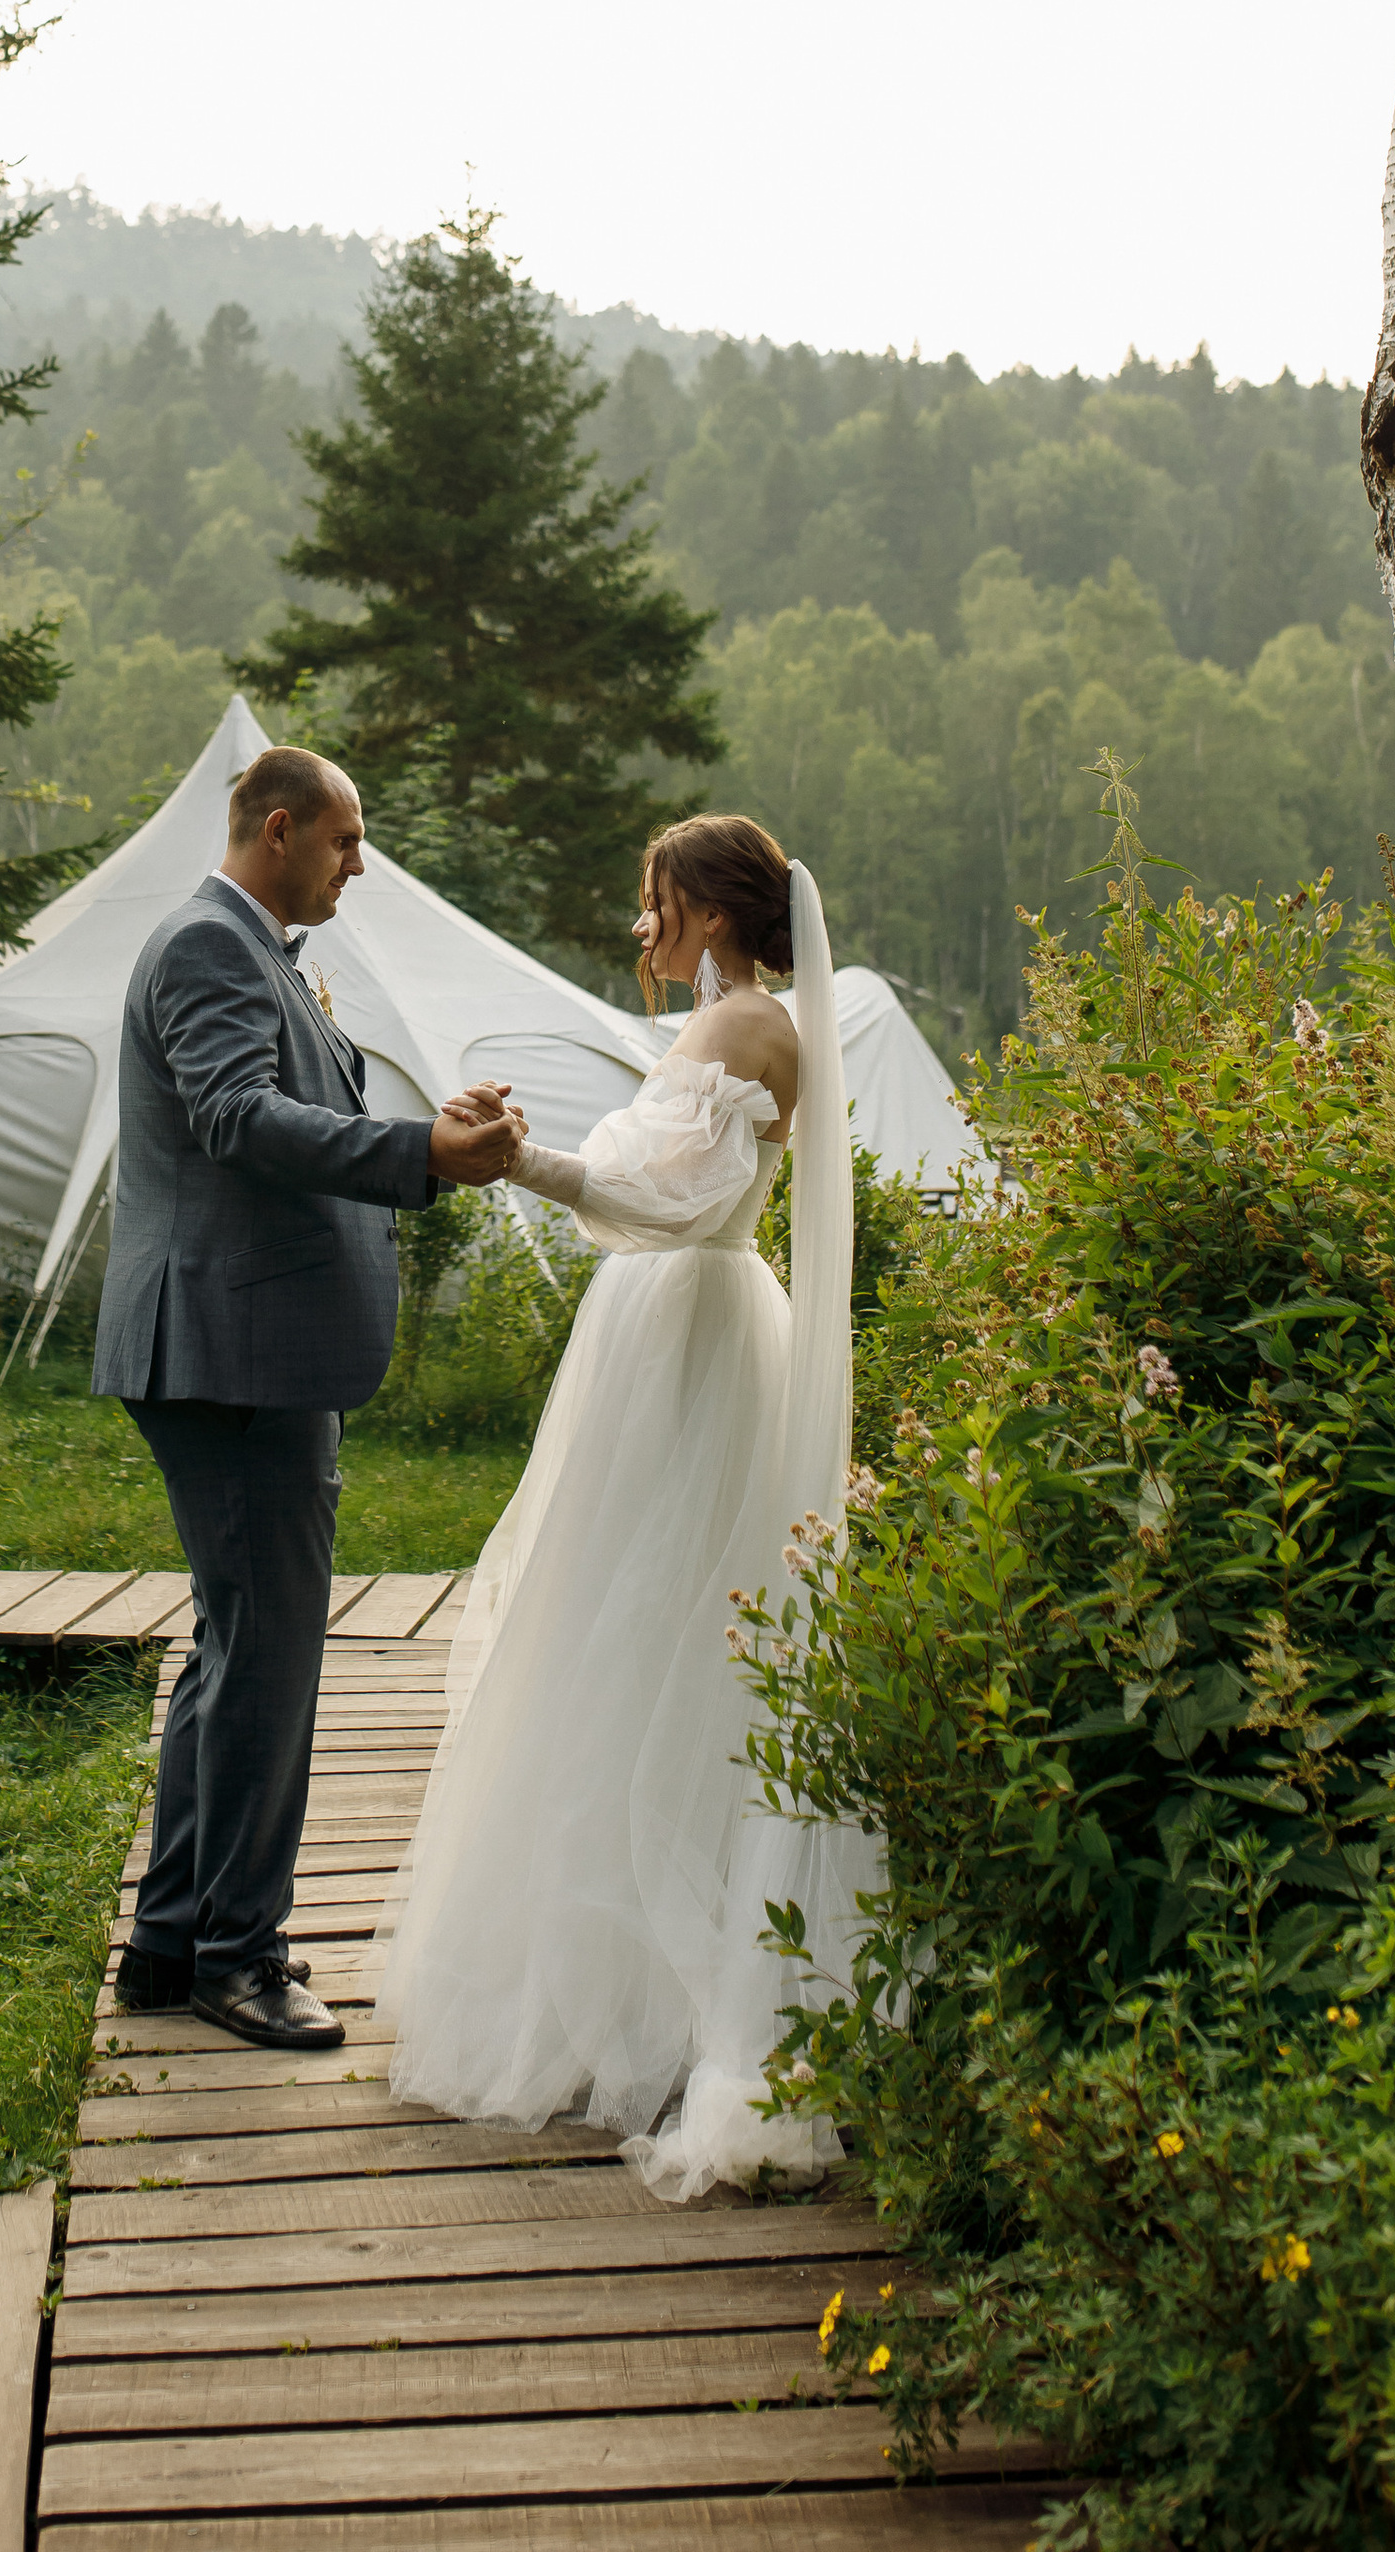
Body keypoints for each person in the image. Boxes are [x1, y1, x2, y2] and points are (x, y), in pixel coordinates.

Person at [374, 811, 877, 2197]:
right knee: (626, 1635)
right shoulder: (728, 1028)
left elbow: (665, 1205)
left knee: (650, 1641)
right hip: (678, 1331)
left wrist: (515, 1161)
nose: (638, 926)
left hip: (690, 1342)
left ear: (710, 912)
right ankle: (625, 1990)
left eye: (651, 901)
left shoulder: (743, 1035)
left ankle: (663, 2008)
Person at [94, 744, 523, 2053]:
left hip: (245, 1347)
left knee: (238, 1648)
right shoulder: (207, 949)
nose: (359, 861)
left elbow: (287, 1102)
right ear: (276, 830)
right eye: (344, 839)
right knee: (269, 1657)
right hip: (231, 1354)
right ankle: (241, 1955)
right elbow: (237, 1117)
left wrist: (427, 1128)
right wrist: (422, 1158)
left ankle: (170, 1944)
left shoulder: (257, 949)